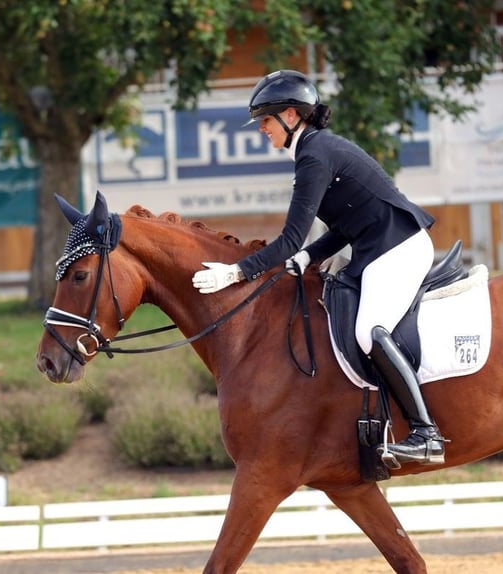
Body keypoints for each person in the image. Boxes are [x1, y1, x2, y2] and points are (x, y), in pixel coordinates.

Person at [191, 69, 446, 465]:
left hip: (399, 247)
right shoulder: (316, 150)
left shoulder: (314, 156)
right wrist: (309, 257)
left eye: (265, 121)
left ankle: (426, 433)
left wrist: (236, 272)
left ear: (290, 116)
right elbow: (344, 225)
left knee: (369, 332)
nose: (261, 130)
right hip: (375, 247)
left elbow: (290, 238)